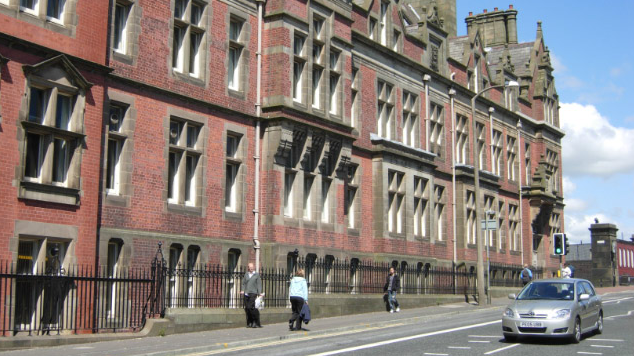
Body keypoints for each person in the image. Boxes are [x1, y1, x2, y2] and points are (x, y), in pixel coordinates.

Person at [240, 262, 263, 328]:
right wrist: (242, 290)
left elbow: (259, 284)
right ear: (248, 268)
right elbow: (243, 283)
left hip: (253, 293)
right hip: (246, 293)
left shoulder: (256, 275)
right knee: (247, 308)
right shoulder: (246, 274)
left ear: (254, 267)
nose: (251, 269)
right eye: (250, 268)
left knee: (251, 307)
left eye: (252, 267)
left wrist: (259, 292)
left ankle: (254, 321)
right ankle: (249, 322)